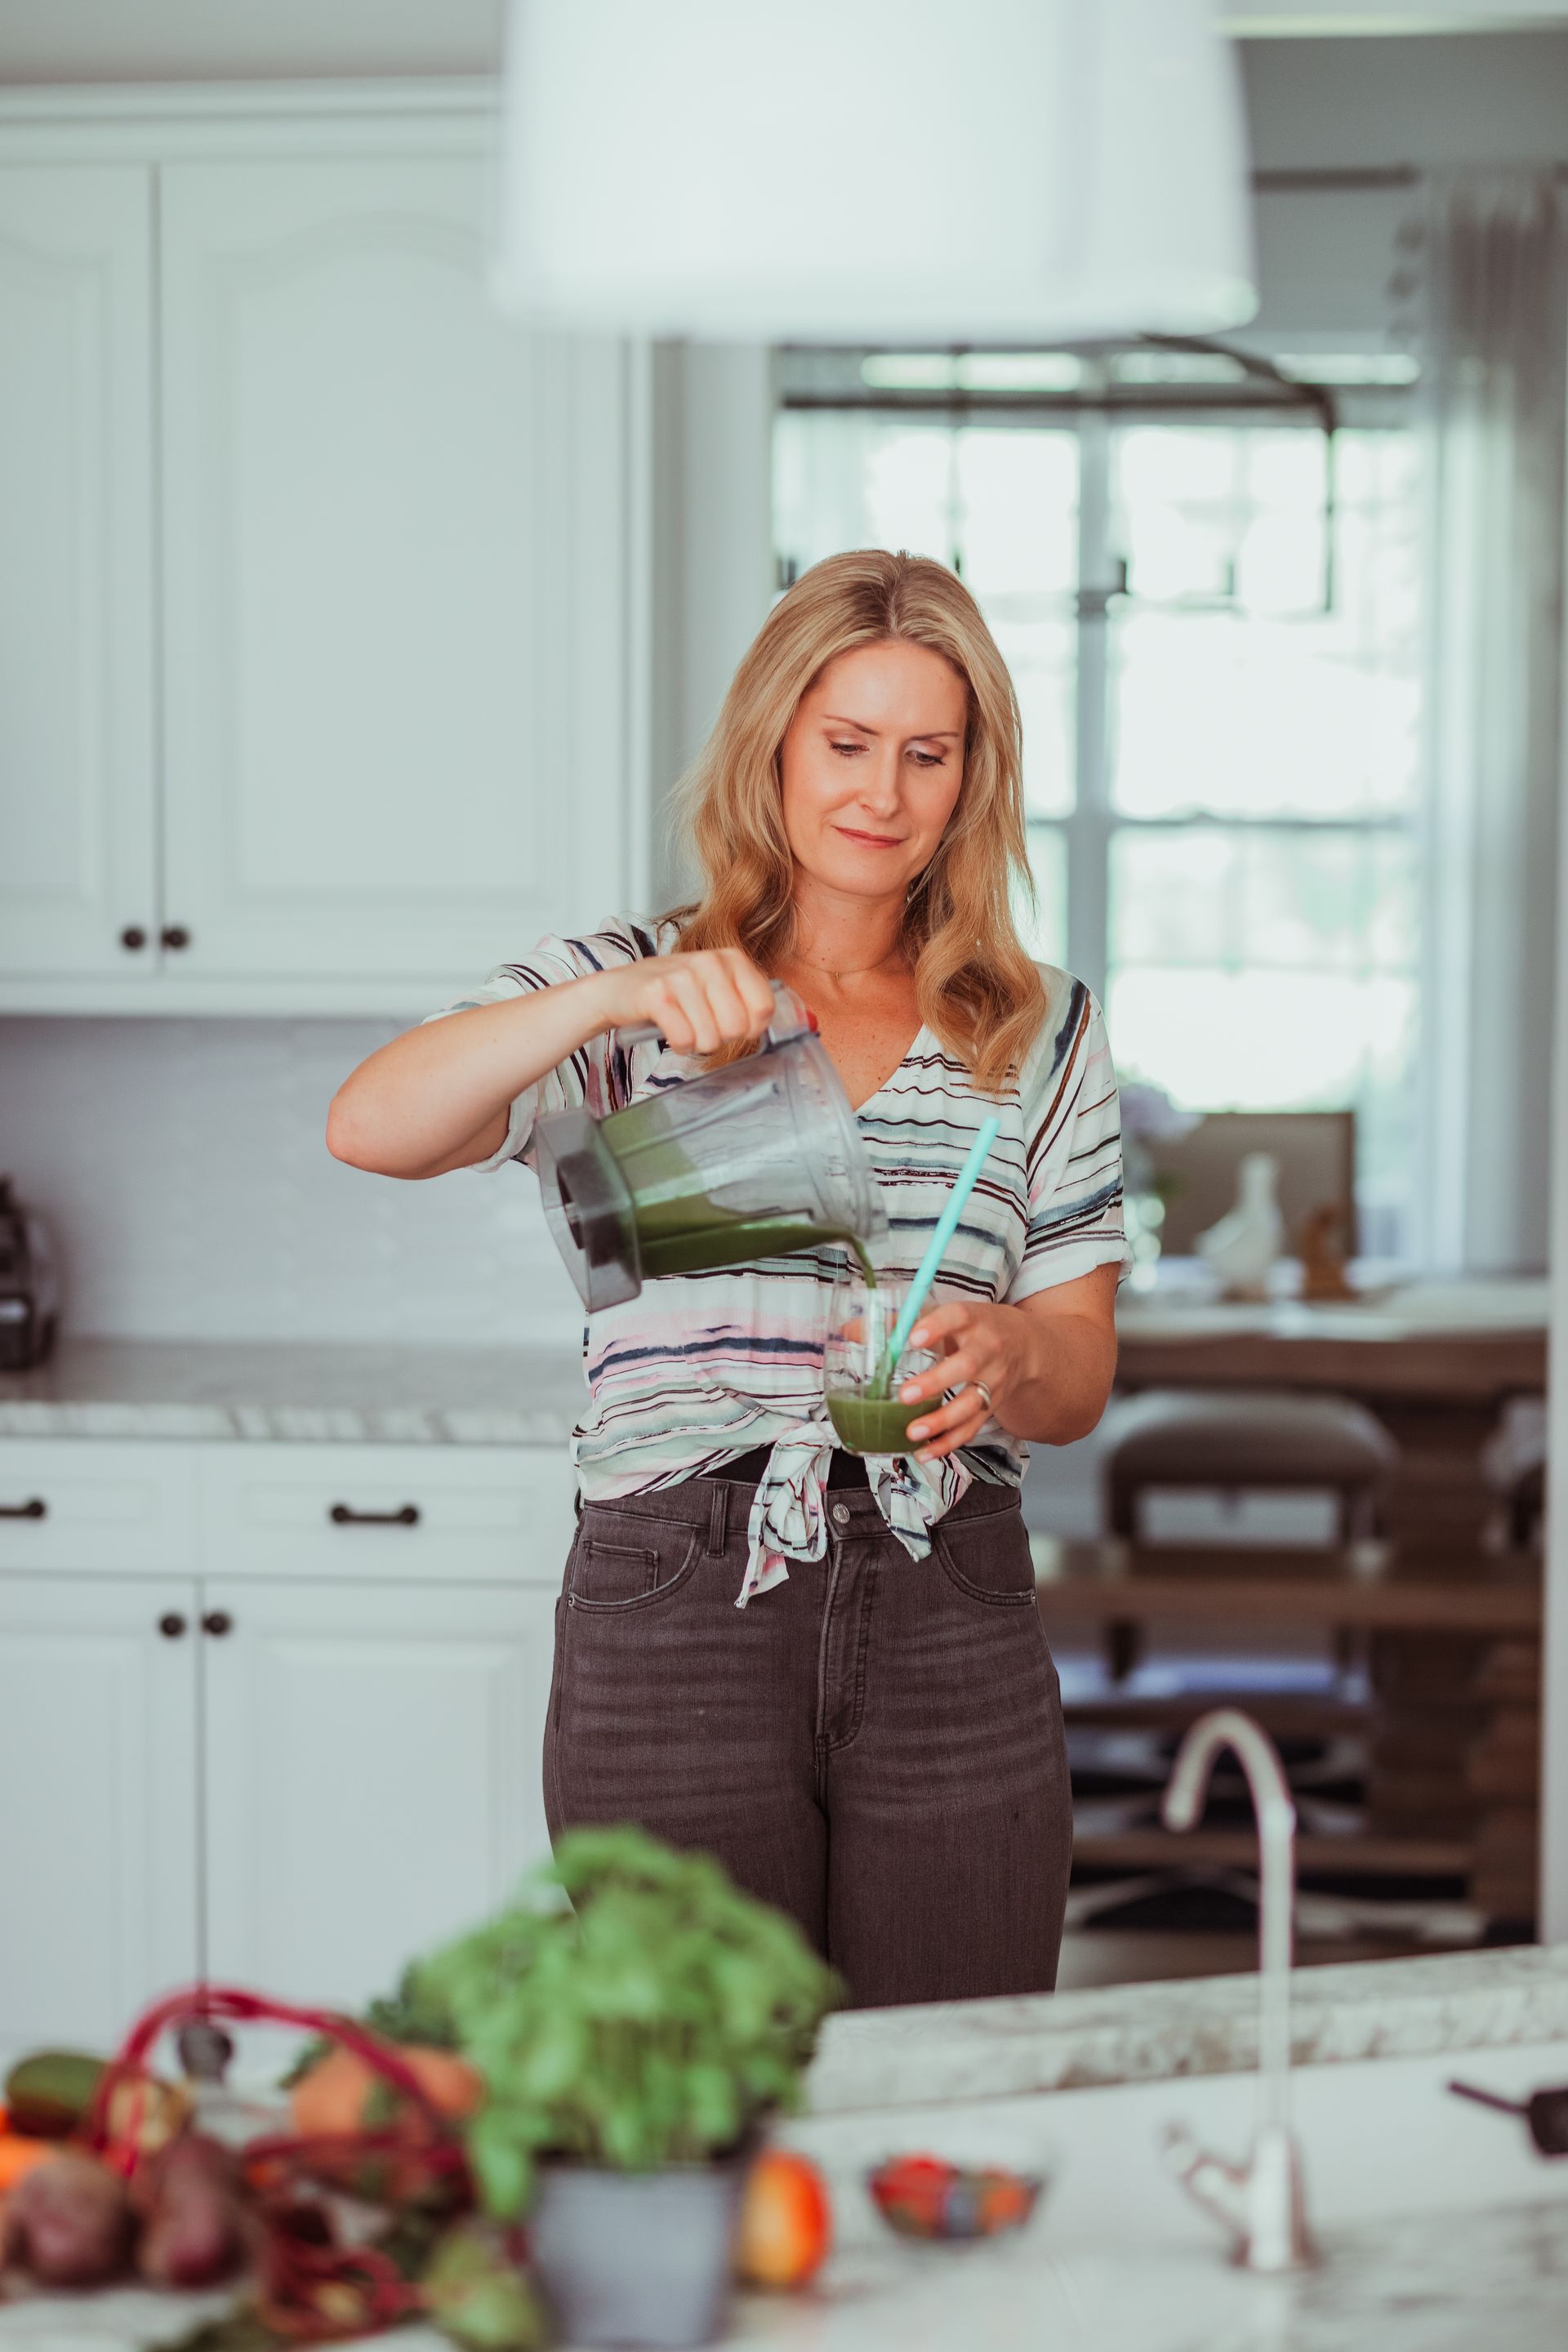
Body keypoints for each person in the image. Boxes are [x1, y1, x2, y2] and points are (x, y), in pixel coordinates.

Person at [328, 549, 1132, 2007]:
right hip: (676, 1596)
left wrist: (1014, 1352)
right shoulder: (636, 985)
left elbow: (1079, 1372)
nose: (880, 794)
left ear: (971, 778)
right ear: (773, 740)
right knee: (701, 2108)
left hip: (951, 1593)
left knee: (947, 2092)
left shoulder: (1040, 1029)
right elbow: (371, 1128)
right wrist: (610, 996)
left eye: (924, 754)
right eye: (845, 744)